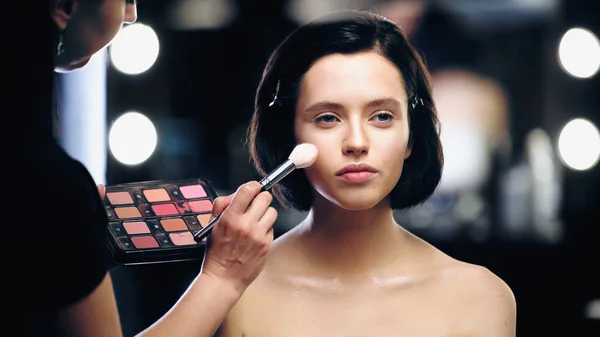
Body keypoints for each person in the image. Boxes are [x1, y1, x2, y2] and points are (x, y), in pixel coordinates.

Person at [217, 10, 517, 336]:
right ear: (290, 136)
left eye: (382, 116)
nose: (357, 143)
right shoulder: (236, 290)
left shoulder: (480, 296)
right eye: (328, 118)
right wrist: (216, 279)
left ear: (411, 137)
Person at [3, 1, 276, 336]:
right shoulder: (45, 181)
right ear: (64, 6)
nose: (131, 15)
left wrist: (74, 247)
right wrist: (222, 275)